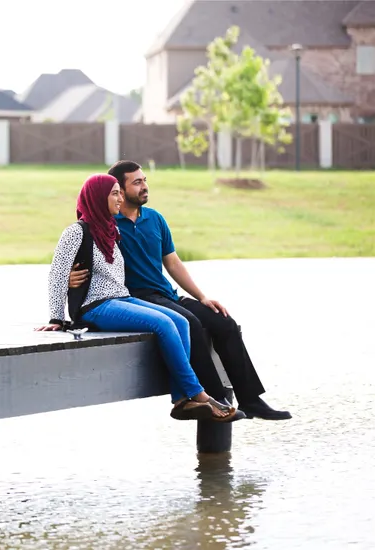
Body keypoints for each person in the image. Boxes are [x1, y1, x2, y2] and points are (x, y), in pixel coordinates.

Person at [69, 161, 290, 421]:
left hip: (167, 295)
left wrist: (202, 297)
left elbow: (172, 262)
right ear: (118, 189)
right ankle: (214, 399)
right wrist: (71, 277)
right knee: (191, 324)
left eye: (145, 180)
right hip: (137, 299)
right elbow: (83, 255)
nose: (144, 186)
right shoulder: (106, 223)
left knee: (223, 322)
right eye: (137, 182)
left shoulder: (155, 218)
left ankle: (251, 400)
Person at [37, 173, 239, 422]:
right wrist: (56, 318)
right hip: (95, 306)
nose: (120, 199)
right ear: (98, 197)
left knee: (181, 321)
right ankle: (198, 394)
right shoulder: (76, 232)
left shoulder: (110, 230)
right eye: (114, 193)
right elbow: (57, 274)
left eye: (120, 193)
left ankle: (181, 401)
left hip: (121, 299)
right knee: (163, 323)